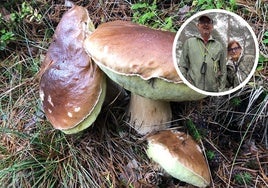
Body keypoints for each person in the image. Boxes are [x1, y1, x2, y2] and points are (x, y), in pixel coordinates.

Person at [179, 15, 226, 92]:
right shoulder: (189, 43)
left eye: (208, 22)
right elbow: (182, 65)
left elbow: (223, 69)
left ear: (212, 26)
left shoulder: (218, 45)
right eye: (202, 22)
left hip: (213, 89)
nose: (206, 24)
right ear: (198, 25)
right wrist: (186, 84)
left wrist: (221, 89)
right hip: (193, 87)